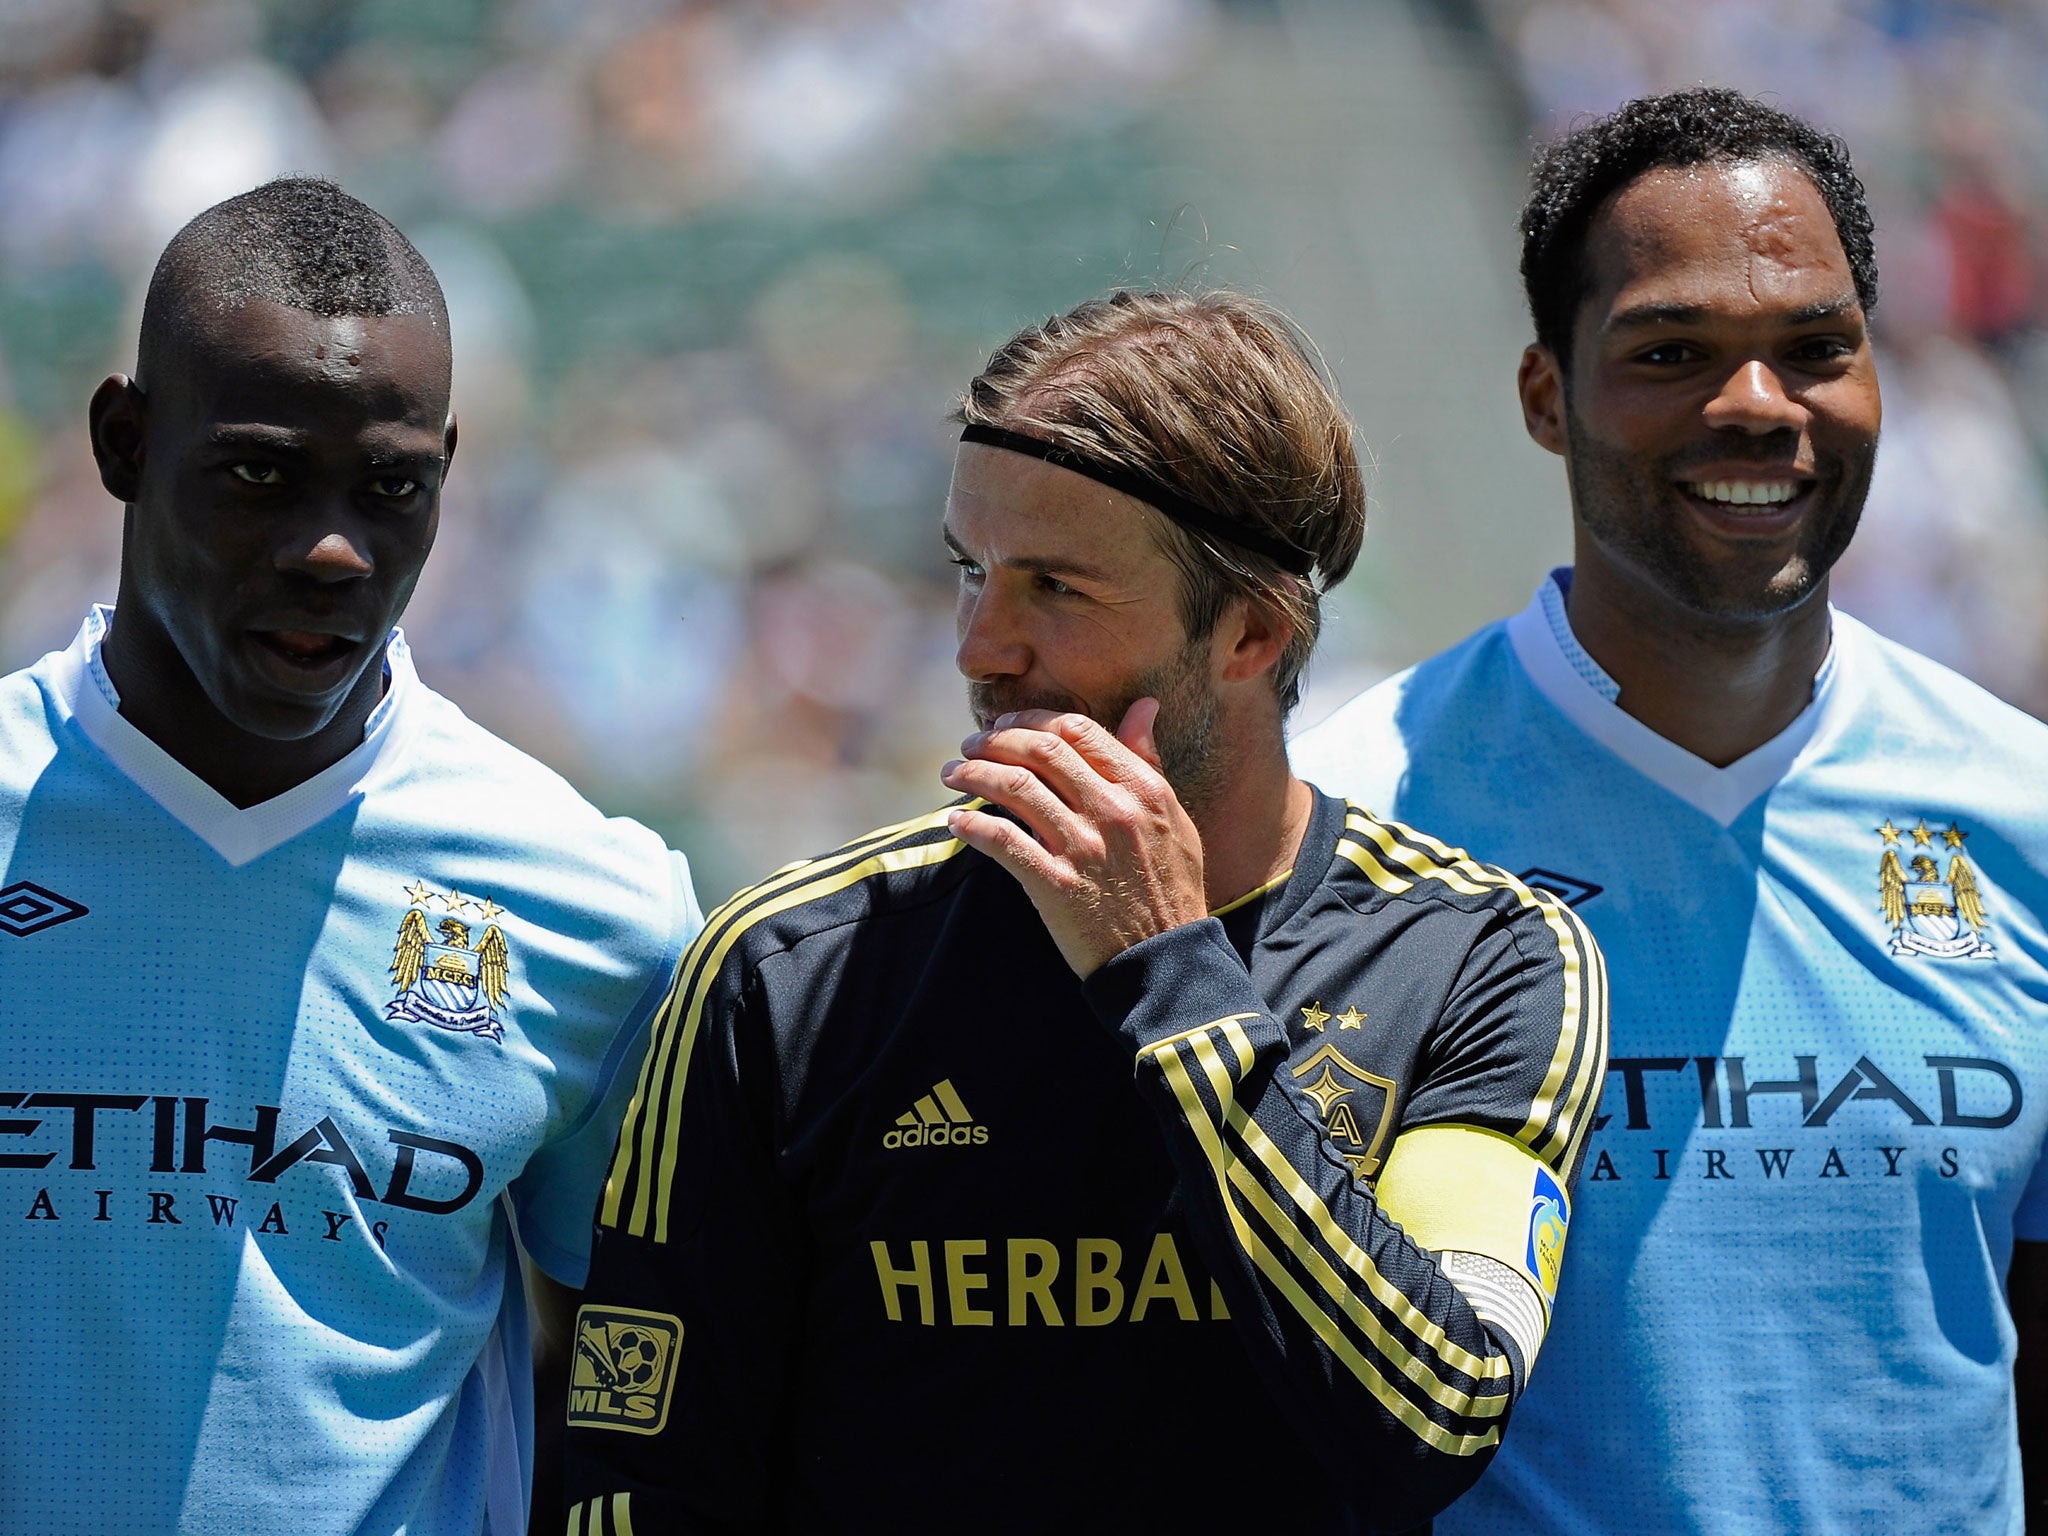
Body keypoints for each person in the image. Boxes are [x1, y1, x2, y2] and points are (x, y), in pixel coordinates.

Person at [563, 289, 1607, 1534]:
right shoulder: (786, 971)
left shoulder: (1479, 958)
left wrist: (1173, 977)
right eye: (969, 571)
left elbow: (1432, 1418)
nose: (979, 646)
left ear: (1249, 634)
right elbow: (640, 1484)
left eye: (1053, 587)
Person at [1291, 87, 2048, 1534]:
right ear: (1543, 395)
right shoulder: (1355, 823)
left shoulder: (2022, 816)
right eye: (1672, 352)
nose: (1756, 403)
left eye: (1815, 347)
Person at [0, 179, 700, 1535]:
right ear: (124, 441)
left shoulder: (596, 911)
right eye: (260, 473)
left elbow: (647, 1383)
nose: (333, 549)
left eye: (392, 489)